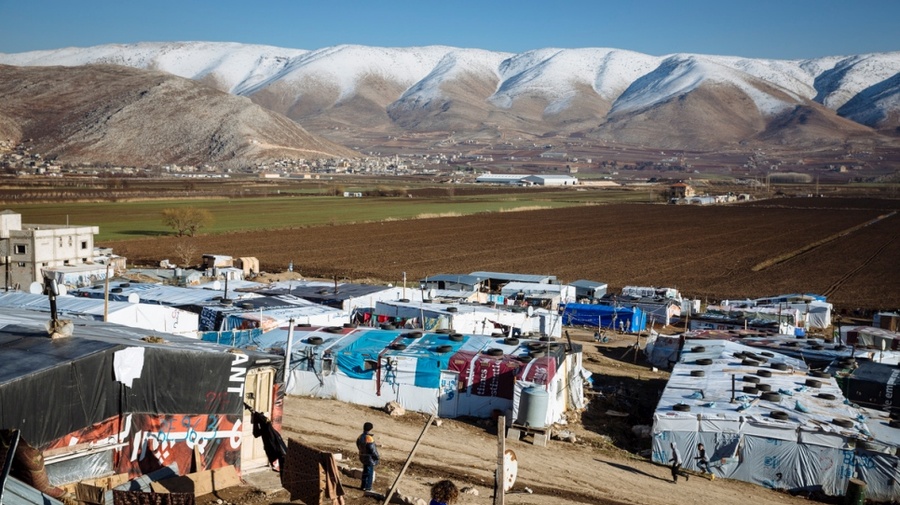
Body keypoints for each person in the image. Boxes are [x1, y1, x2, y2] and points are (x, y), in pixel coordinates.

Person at [356, 422, 380, 493]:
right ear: (370, 429)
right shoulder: (369, 438)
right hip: (369, 458)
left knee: (365, 471)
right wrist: (377, 457)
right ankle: (368, 487)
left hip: (362, 456)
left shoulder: (360, 436)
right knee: (369, 473)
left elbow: (358, 445)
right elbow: (373, 449)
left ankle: (363, 486)